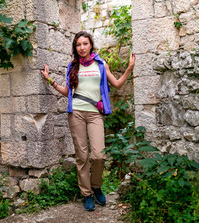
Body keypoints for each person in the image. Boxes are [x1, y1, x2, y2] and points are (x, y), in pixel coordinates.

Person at [40, 31, 135, 211]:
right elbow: (68, 92)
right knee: (82, 156)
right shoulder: (72, 66)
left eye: (85, 44)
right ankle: (87, 194)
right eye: (78, 45)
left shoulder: (100, 64)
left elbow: (117, 84)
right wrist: (50, 80)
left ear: (91, 45)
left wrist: (129, 67)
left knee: (99, 155)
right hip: (75, 113)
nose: (82, 47)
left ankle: (97, 186)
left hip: (94, 114)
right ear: (75, 48)